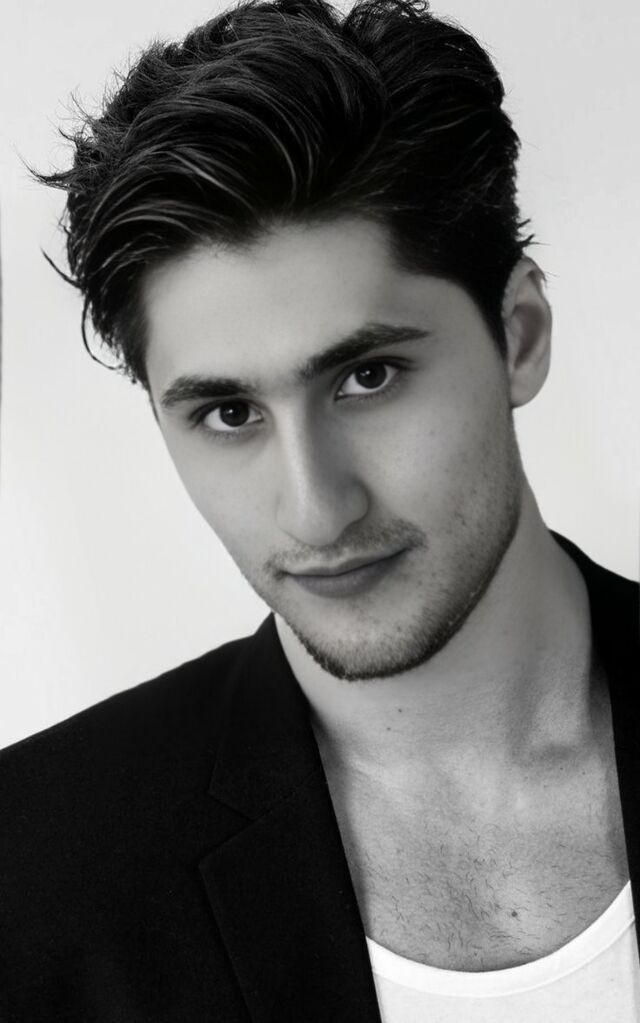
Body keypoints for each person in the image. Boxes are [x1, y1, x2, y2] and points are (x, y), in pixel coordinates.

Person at [1, 0, 638, 1018]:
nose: (315, 510)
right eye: (229, 413)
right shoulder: (30, 872)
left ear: (518, 335)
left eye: (367, 377)